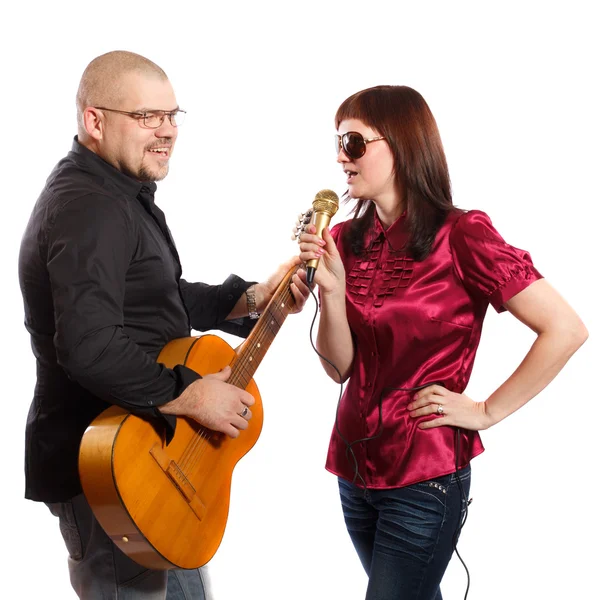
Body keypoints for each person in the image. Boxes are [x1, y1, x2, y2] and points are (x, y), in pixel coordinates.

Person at [18, 50, 309, 600]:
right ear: (95, 120)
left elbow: (152, 300)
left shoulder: (115, 193)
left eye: (173, 116)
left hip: (155, 453)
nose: (167, 131)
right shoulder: (88, 206)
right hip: (111, 466)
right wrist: (191, 396)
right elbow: (88, 346)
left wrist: (247, 298)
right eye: (148, 116)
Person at [298, 85, 588, 600]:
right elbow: (339, 368)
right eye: (338, 141)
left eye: (355, 142)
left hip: (424, 476)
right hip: (353, 470)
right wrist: (334, 293)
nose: (341, 156)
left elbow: (565, 330)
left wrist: (485, 411)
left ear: (403, 145)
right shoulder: (345, 240)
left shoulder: (463, 235)